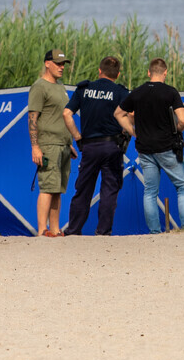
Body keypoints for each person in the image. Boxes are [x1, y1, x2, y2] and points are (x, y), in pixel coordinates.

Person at [115, 58, 184, 232]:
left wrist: (133, 131)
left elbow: (118, 113)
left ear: (149, 72)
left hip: (144, 149)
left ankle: (155, 232)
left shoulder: (137, 92)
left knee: (150, 191)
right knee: (183, 186)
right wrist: (176, 130)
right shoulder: (170, 92)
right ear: (165, 73)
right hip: (167, 147)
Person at [60, 55, 130, 236]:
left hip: (89, 147)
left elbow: (67, 114)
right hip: (112, 146)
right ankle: (103, 232)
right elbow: (131, 115)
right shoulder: (121, 92)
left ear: (99, 71)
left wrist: (78, 138)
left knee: (83, 189)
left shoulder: (84, 89)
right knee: (109, 190)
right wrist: (126, 131)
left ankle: (74, 230)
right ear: (118, 74)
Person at [27, 48, 74, 237]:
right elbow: (32, 118)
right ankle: (42, 230)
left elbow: (60, 117)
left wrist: (69, 143)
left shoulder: (60, 87)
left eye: (63, 64)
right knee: (47, 187)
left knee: (57, 189)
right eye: (58, 63)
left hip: (63, 144)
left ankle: (55, 229)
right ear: (47, 64)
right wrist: (35, 147)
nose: (61, 67)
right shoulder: (39, 86)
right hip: (48, 144)